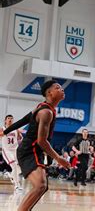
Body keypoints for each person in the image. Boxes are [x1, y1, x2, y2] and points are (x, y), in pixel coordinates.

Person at [0, 80, 71, 211]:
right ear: (49, 93)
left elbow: (23, 120)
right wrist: (58, 158)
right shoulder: (45, 112)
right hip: (29, 150)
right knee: (40, 185)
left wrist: (5, 131)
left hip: (33, 150)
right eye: (58, 88)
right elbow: (41, 141)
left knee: (42, 186)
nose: (62, 90)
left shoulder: (42, 107)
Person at [1, 115, 23, 192]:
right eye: (8, 118)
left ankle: (10, 175)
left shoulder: (16, 130)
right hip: (7, 151)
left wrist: (20, 134)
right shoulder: (2, 129)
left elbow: (20, 139)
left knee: (19, 168)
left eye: (11, 119)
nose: (10, 120)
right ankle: (17, 185)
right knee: (14, 166)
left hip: (15, 151)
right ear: (5, 121)